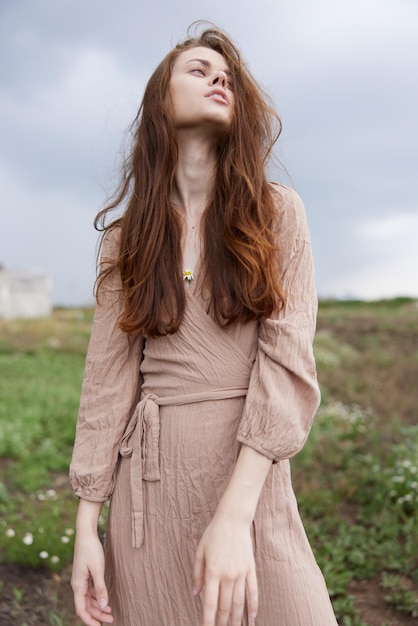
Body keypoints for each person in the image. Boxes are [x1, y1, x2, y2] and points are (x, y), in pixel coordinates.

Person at [69, 22, 338, 626]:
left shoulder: (276, 214)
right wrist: (87, 527)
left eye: (228, 78)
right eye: (198, 70)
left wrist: (235, 518)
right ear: (160, 101)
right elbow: (106, 383)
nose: (219, 78)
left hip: (249, 487)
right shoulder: (126, 239)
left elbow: (287, 368)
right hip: (147, 498)